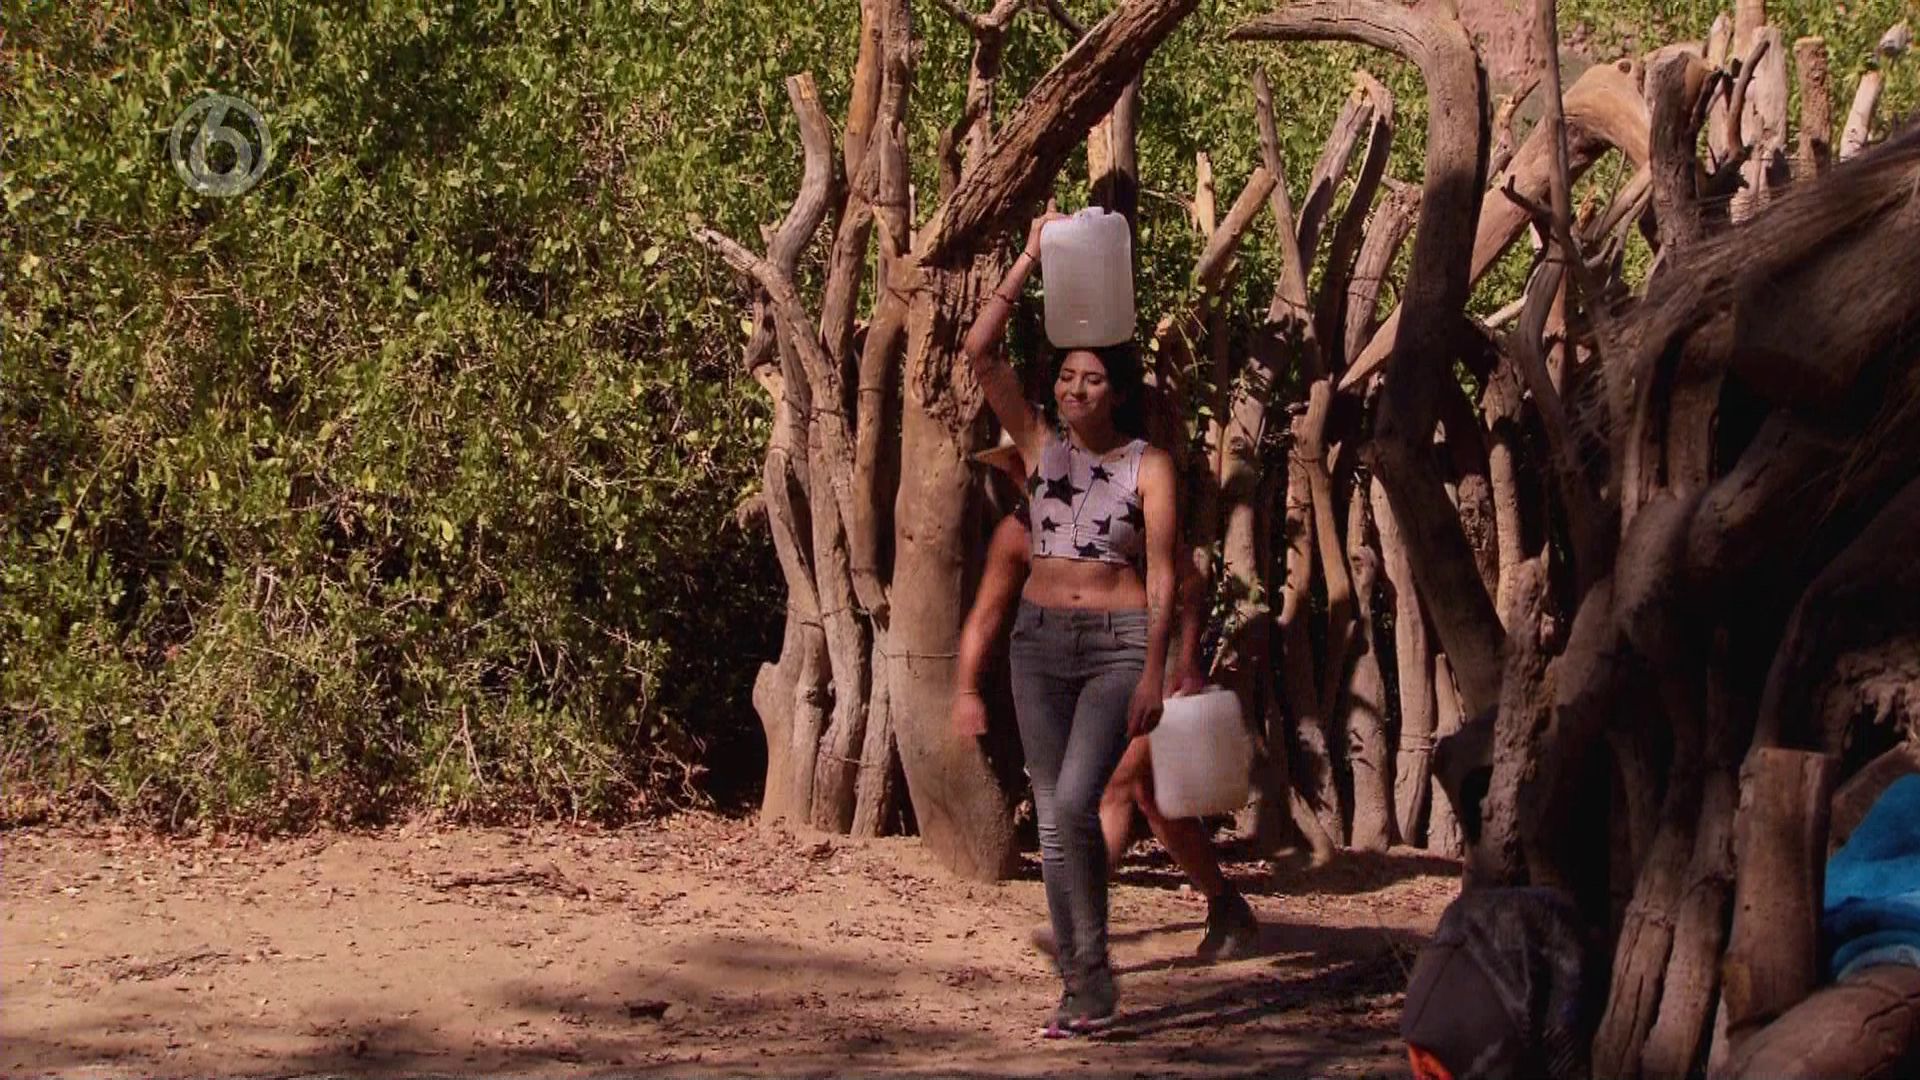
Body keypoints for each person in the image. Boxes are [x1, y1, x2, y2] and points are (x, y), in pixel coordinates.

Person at [954, 208, 1177, 1036]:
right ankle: (1087, 983)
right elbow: (980, 352)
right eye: (1067, 378)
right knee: (1053, 819)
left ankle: (1090, 970)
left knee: (1078, 800)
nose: (1075, 390)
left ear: (1117, 392)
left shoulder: (1149, 466)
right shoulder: (1039, 448)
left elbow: (1162, 571)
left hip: (1118, 648)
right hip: (1038, 647)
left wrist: (1154, 672)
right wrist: (1028, 257)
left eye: (1092, 381)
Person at [952, 487, 1260, 966]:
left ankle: (1075, 926)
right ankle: (1227, 907)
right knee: (1153, 801)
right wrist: (967, 688)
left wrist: (1187, 661)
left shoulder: (1123, 515)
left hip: (1150, 661)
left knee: (1115, 784)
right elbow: (985, 615)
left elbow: (1189, 582)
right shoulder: (1017, 535)